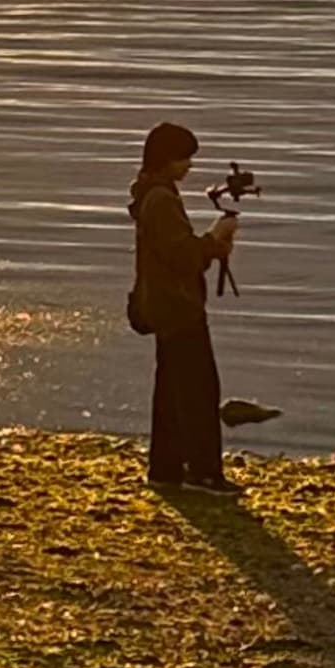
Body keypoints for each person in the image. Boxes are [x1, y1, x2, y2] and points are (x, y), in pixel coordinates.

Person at [128, 120, 241, 494]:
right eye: (183, 159)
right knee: (197, 391)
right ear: (165, 159)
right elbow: (182, 255)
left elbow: (173, 251)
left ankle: (166, 468)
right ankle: (204, 472)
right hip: (178, 307)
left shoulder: (151, 195)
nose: (189, 166)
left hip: (162, 305)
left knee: (171, 392)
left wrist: (208, 245)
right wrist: (213, 241)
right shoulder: (160, 201)